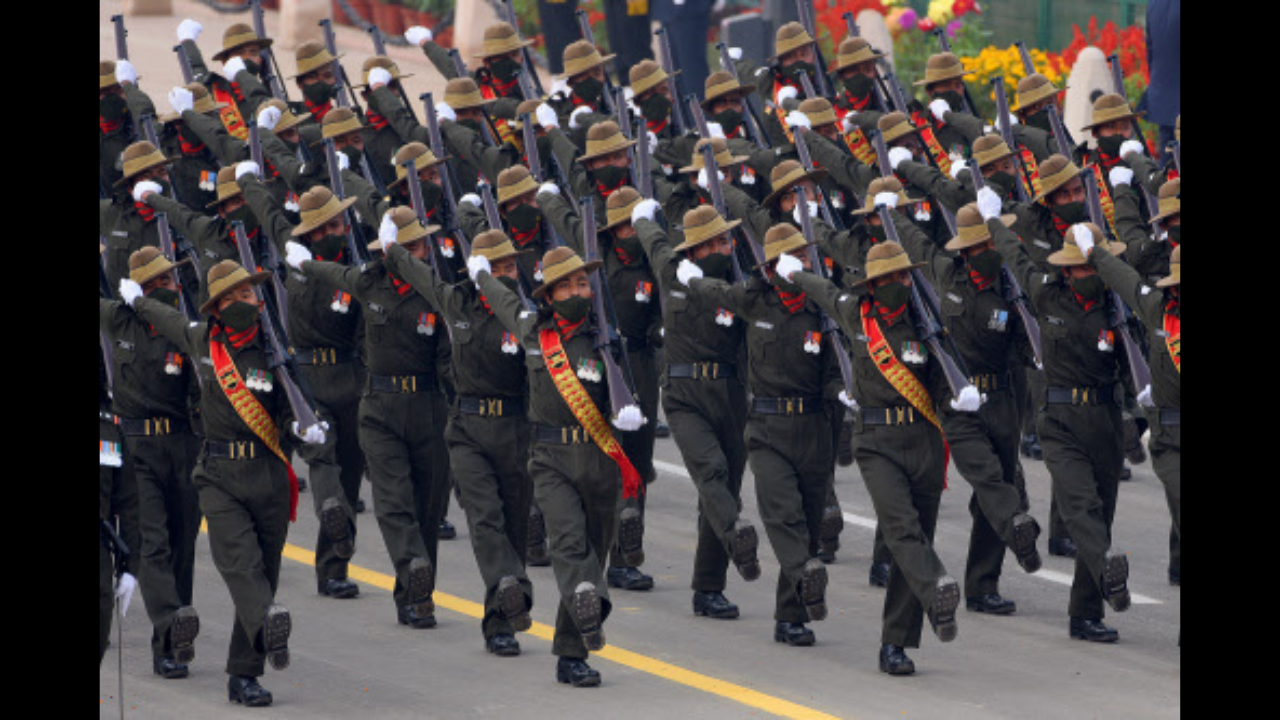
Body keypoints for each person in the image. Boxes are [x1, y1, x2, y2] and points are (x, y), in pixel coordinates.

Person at [124, 259, 317, 706]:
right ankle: (267, 620)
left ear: (258, 300)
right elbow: (168, 318)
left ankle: (243, 675)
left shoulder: (275, 351)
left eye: (245, 295)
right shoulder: (204, 341)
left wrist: (306, 429)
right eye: (227, 298)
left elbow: (295, 405)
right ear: (214, 308)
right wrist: (138, 300)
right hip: (217, 475)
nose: (238, 303)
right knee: (241, 562)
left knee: (265, 572)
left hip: (268, 475)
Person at [777, 236, 970, 675]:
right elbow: (823, 291)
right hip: (877, 441)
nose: (902, 282)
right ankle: (936, 584)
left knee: (917, 535)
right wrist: (796, 271)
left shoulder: (927, 321)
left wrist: (959, 395)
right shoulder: (855, 314)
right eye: (893, 277)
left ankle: (896, 644)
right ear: (874, 284)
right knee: (901, 528)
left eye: (906, 275)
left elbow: (943, 377)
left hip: (923, 437)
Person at [469, 245, 648, 687]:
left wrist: (630, 410)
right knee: (568, 544)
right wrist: (481, 276)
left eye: (582, 282)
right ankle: (590, 600)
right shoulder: (535, 332)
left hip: (600, 456)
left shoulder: (607, 339)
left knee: (595, 548)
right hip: (549, 459)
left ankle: (572, 654)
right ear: (547, 296)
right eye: (565, 284)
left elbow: (626, 396)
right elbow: (505, 301)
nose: (575, 290)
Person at [287, 206, 451, 630]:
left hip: (428, 407)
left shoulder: (438, 291)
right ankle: (403, 566)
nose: (421, 253)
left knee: (428, 509)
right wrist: (301, 260)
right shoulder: (368, 281)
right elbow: (330, 275)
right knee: (392, 501)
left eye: (423, 246)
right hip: (378, 405)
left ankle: (417, 594)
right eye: (411, 247)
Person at [376, 227, 537, 656]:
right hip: (467, 430)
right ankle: (510, 588)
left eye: (510, 266)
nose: (507, 274)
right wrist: (391, 246)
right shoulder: (456, 302)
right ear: (479, 269)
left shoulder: (524, 314)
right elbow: (418, 273)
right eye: (497, 266)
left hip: (515, 431)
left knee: (514, 526)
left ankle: (500, 620)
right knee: (485, 518)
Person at [678, 222, 837, 648]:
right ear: (769, 267)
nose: (798, 264)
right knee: (783, 514)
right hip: (767, 428)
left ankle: (791, 617)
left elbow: (839, 365)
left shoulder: (822, 306)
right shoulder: (755, 299)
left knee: (807, 517)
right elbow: (719, 296)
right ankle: (804, 572)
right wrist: (693, 278)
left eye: (804, 257)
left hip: (814, 427)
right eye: (790, 258)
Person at [987, 200, 1134, 643]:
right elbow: (1013, 253)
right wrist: (993, 218)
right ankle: (1106, 561)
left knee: (1102, 511)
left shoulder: (1118, 307)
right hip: (1060, 419)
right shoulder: (1045, 292)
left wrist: (1135, 412)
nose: (1087, 276)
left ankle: (1084, 612)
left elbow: (1133, 366)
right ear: (1068, 270)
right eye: (1082, 269)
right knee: (1078, 504)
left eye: (1094, 268)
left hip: (1105, 417)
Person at [236, 167, 368, 600]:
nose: (340, 230)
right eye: (330, 225)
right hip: (312, 375)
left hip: (346, 376)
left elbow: (270, 212)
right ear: (312, 233)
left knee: (346, 471)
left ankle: (334, 566)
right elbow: (271, 214)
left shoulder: (340, 262)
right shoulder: (308, 260)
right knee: (325, 459)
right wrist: (249, 179)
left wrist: (250, 179)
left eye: (340, 222)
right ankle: (331, 536)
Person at [633, 203, 762, 619]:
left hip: (730, 393)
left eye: (727, 240)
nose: (725, 248)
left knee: (724, 489)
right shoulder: (673, 273)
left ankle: (709, 588)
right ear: (696, 249)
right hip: (685, 394)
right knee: (711, 472)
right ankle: (735, 533)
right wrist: (642, 214)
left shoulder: (740, 285)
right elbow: (653, 241)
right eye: (715, 243)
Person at [539, 184, 662, 591]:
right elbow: (568, 222)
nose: (631, 231)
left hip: (637, 360)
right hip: (594, 352)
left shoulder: (650, 259)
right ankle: (610, 554)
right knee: (604, 452)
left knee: (636, 460)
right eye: (625, 225)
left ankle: (627, 554)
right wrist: (548, 194)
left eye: (636, 224)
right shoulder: (596, 256)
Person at [100, 248, 204, 678]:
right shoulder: (117, 319)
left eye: (170, 281)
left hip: (182, 446)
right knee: (153, 544)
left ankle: (169, 647)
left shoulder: (181, 326)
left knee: (182, 548)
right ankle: (170, 623)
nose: (169, 288)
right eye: (158, 283)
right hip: (135, 448)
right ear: (138, 289)